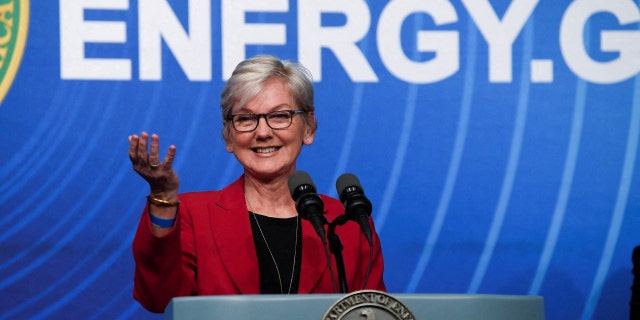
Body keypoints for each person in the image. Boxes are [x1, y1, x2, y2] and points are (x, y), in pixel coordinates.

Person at [127, 54, 386, 313]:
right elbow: (158, 298)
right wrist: (163, 196)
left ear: (308, 127)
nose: (262, 132)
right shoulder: (192, 215)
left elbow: (374, 314)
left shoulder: (347, 222)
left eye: (280, 116)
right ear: (229, 136)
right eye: (245, 119)